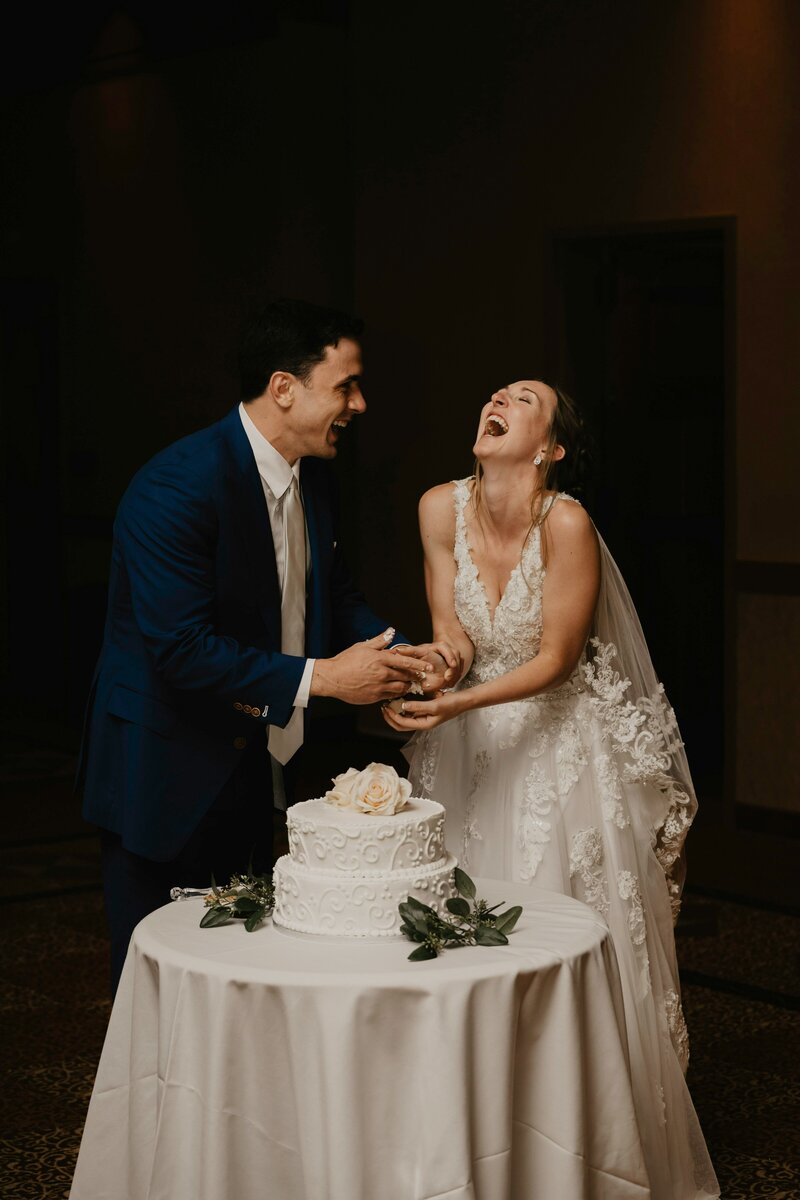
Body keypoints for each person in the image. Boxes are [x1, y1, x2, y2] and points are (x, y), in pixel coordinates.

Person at [383, 379, 720, 1200]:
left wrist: (454, 702)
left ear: (550, 447)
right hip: (467, 755)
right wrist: (430, 676)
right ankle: (472, 1150)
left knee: (560, 933)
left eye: (524, 399)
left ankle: (576, 1157)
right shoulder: (437, 507)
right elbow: (455, 632)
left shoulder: (566, 523)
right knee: (458, 934)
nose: (497, 399)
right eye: (495, 392)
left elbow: (557, 658)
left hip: (557, 751)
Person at [79, 297, 454, 992]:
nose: (361, 404)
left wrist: (405, 656)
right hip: (165, 767)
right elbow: (182, 649)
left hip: (259, 768)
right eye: (345, 385)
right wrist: (326, 681)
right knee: (156, 986)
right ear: (285, 387)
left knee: (243, 976)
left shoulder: (316, 479)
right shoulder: (177, 486)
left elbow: (334, 597)